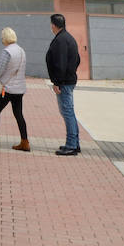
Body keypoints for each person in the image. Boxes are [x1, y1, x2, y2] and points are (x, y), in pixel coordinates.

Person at [45, 13, 82, 156]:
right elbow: (77, 60)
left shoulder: (61, 40)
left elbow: (60, 63)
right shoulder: (68, 38)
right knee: (69, 112)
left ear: (54, 25)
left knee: (67, 112)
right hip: (68, 80)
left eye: (51, 24)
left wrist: (57, 82)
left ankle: (71, 145)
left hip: (64, 82)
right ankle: (74, 143)